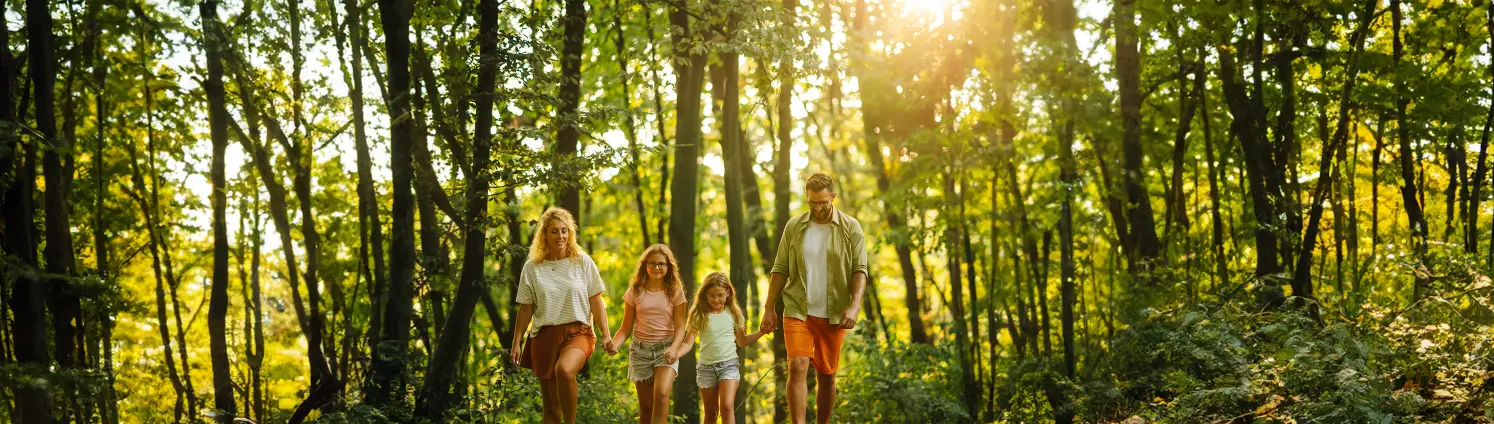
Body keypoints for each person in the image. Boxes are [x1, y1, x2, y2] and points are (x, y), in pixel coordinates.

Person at [758, 172, 868, 424]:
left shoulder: (851, 227)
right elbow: (780, 269)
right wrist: (769, 308)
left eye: (823, 202)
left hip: (834, 313)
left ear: (833, 197)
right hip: (798, 308)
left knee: (827, 375)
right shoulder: (794, 226)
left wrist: (854, 306)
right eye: (812, 203)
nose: (818, 208)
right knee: (797, 366)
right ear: (807, 198)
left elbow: (860, 270)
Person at [509, 207, 613, 424]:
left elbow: (596, 300)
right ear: (544, 235)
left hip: (578, 332)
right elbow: (526, 308)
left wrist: (606, 334)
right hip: (543, 336)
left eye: (564, 231)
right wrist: (516, 342)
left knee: (564, 370)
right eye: (554, 231)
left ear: (571, 233)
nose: (560, 236)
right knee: (551, 407)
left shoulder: (582, 262)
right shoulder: (532, 268)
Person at [670, 272, 773, 424]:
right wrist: (675, 353)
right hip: (706, 368)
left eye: (720, 295)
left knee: (726, 406)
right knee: (711, 411)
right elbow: (688, 342)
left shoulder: (734, 313)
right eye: (712, 295)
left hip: (729, 365)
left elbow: (742, 341)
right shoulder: (699, 314)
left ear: (728, 293)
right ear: (705, 295)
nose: (716, 299)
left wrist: (762, 332)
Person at [604, 244, 689, 424]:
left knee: (662, 394)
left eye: (661, 264)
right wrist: (614, 344)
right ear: (645, 265)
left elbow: (681, 327)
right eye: (652, 263)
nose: (657, 268)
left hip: (666, 350)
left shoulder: (675, 291)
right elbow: (626, 328)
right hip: (640, 352)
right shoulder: (635, 291)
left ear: (668, 267)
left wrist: (674, 349)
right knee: (646, 406)